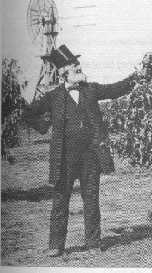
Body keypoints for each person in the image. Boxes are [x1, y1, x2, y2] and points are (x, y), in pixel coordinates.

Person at [23, 44, 135, 257]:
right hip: (63, 158)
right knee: (60, 200)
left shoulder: (91, 89)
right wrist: (43, 126)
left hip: (90, 156)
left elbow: (115, 89)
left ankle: (93, 243)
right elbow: (28, 113)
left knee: (91, 199)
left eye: (78, 65)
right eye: (75, 66)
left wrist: (136, 77)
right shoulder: (53, 96)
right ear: (64, 73)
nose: (79, 68)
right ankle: (56, 245)